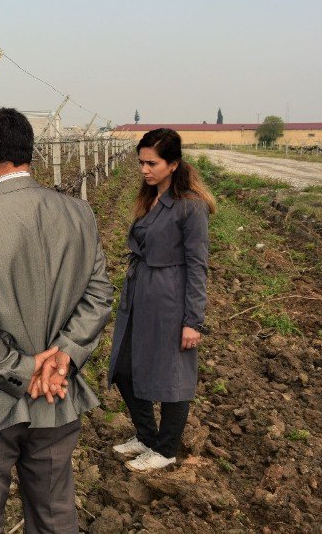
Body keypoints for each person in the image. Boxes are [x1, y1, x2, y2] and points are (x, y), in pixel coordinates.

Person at [0, 108, 114, 533]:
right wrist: (63, 358)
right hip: (56, 396)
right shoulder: (78, 214)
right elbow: (99, 295)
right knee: (55, 514)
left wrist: (22, 369)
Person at [108, 128, 214, 472]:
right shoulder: (149, 197)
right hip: (140, 292)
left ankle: (166, 449)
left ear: (173, 164)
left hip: (170, 298)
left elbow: (198, 265)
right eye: (141, 162)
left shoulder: (190, 207)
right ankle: (146, 435)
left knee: (172, 375)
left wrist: (192, 321)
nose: (144, 169)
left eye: (151, 163)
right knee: (124, 367)